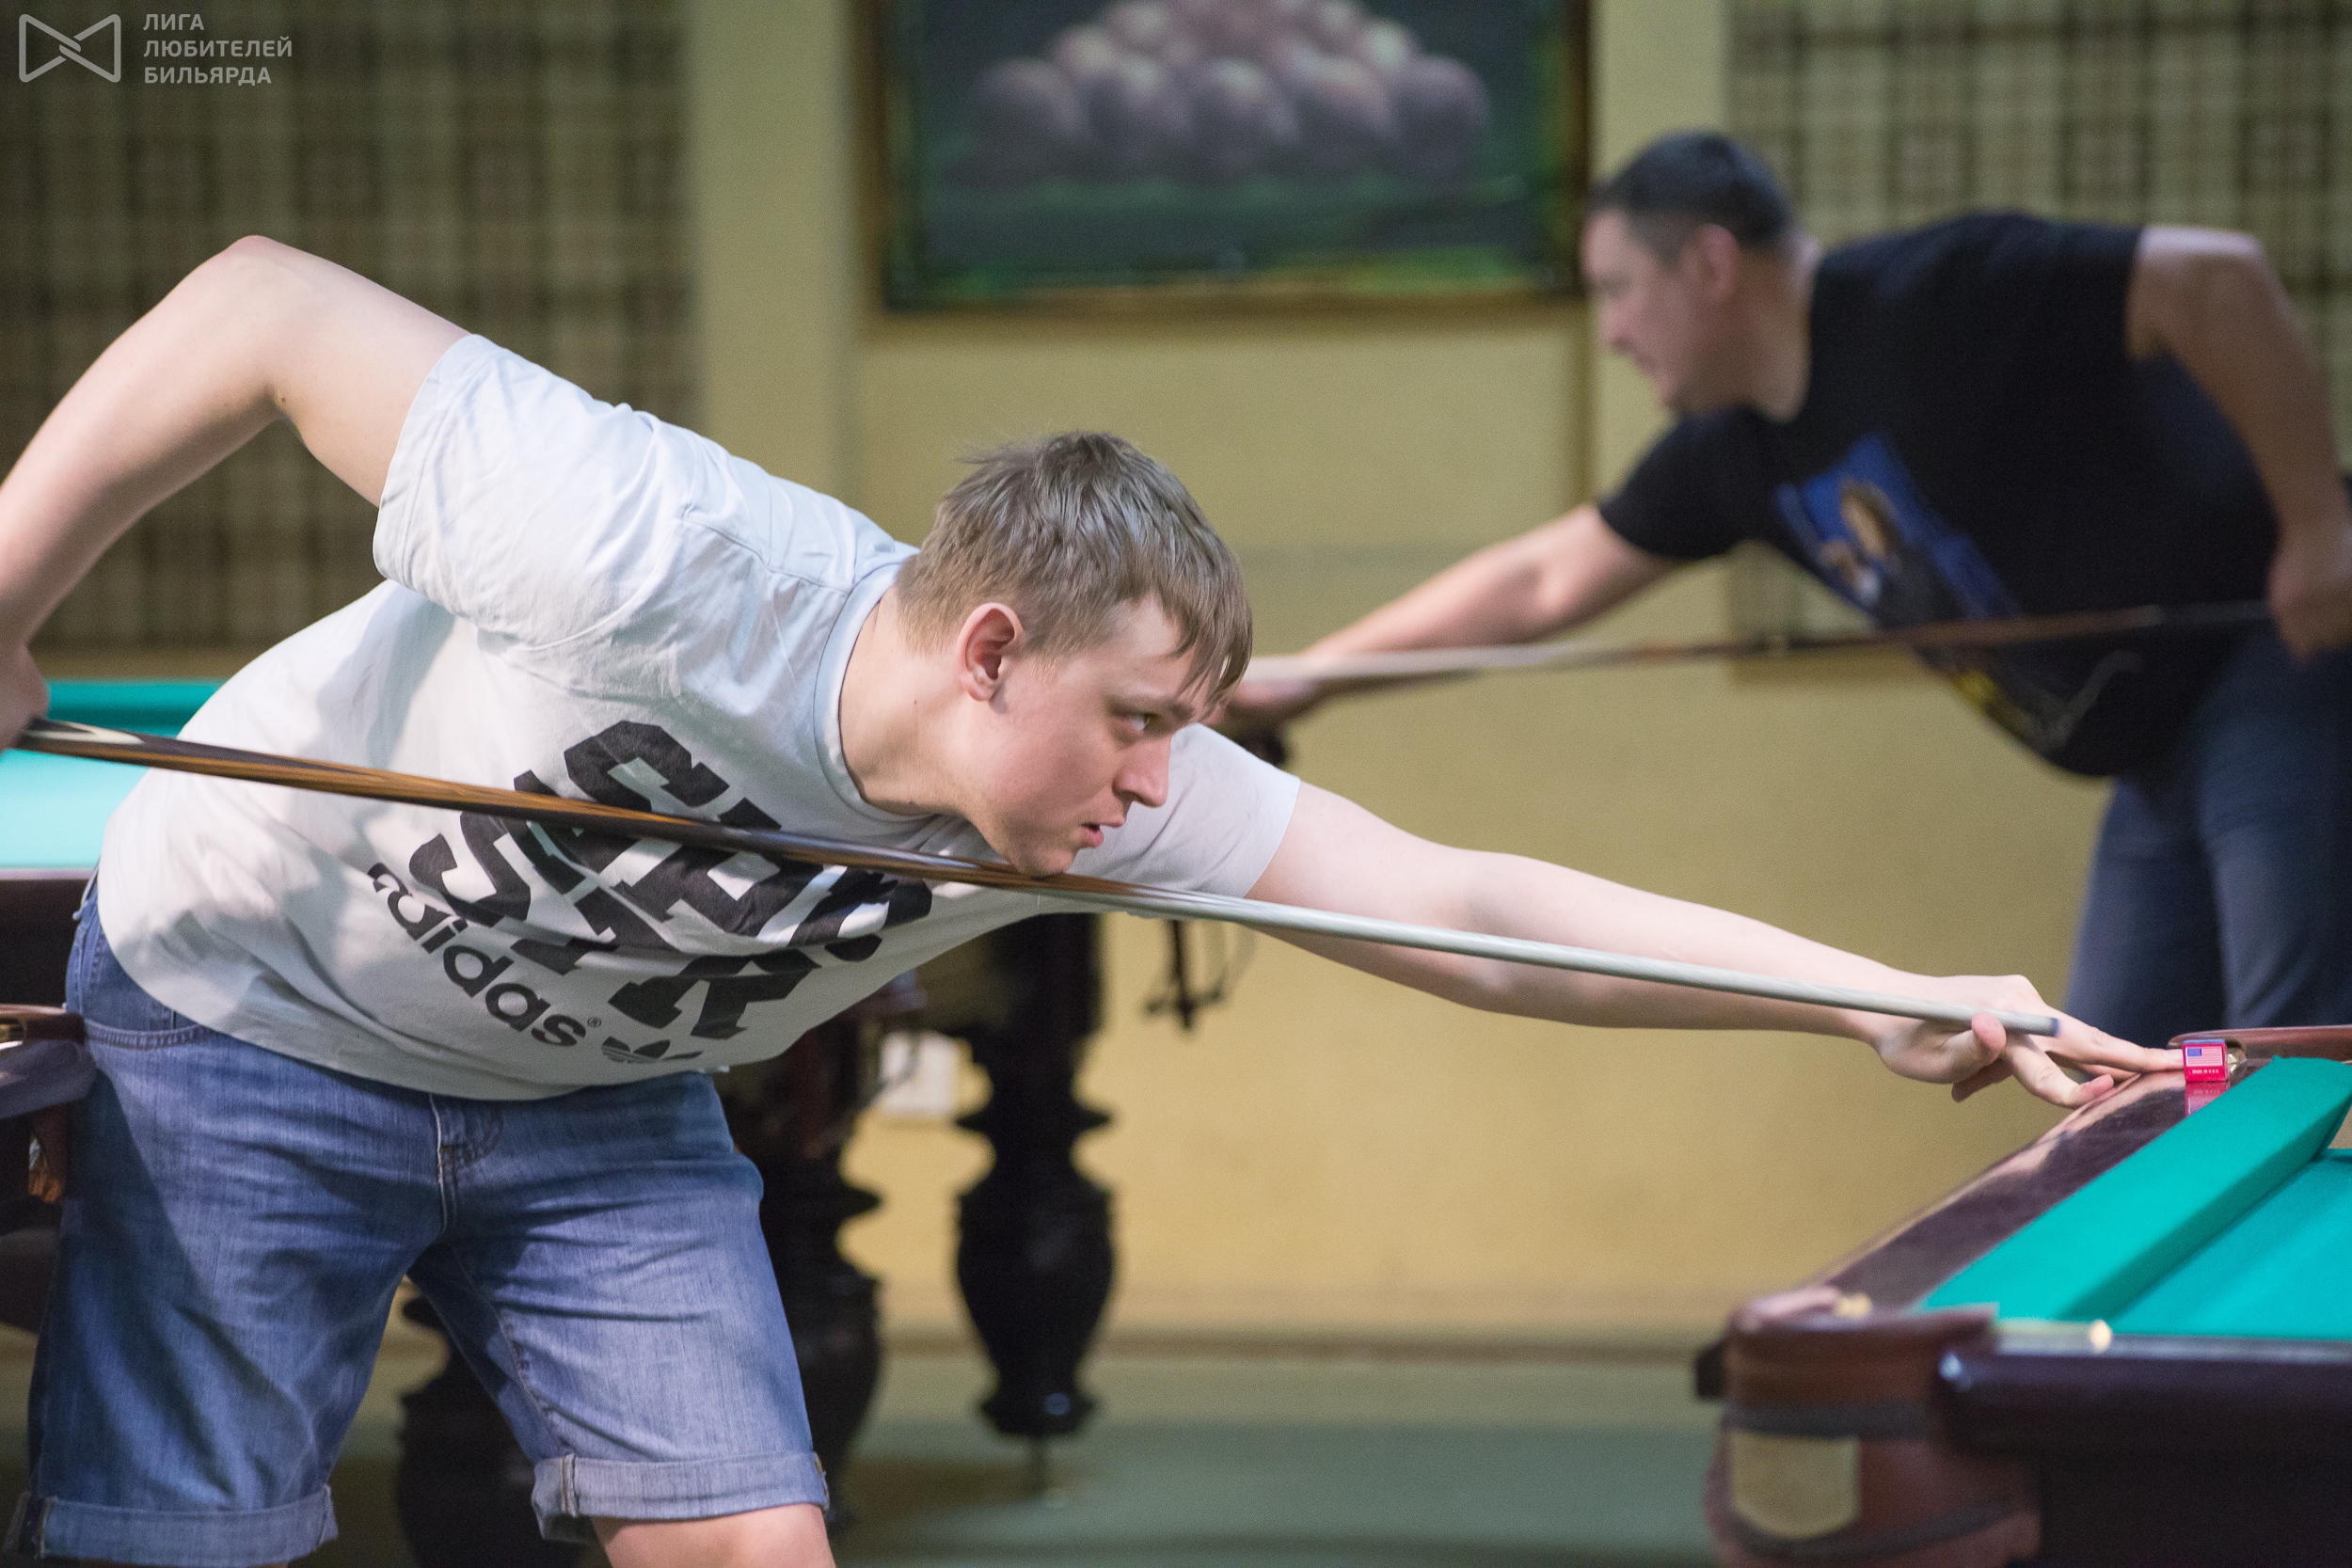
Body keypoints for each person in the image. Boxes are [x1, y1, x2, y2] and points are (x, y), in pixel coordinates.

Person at [0, 238, 2163, 1568]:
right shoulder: (640, 545)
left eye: (1177, 736)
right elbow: (257, 306)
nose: (1151, 787)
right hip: (254, 1002)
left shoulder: (1119, 792)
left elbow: (1466, 902)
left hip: (596, 1108)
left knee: (752, 1536)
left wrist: (1864, 991)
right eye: (1130, 722)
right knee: (185, 1540)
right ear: (988, 650)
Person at [1227, 130, 2352, 1052]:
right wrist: (1307, 679)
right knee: (2115, 1065)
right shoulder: (1735, 453)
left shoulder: (1934, 296)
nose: (1610, 331)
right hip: (2150, 755)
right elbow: (1541, 579)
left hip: (2270, 662)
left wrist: (2316, 523)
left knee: (2289, 1050)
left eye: (1619, 289)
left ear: (1709, 265)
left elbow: (2213, 278)